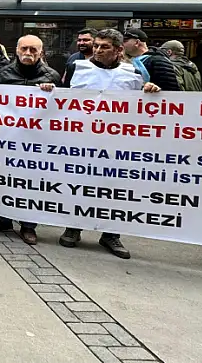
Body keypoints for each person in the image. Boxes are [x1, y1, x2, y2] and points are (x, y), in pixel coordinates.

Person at [59, 29, 160, 259]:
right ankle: (73, 228)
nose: (97, 50)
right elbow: (61, 98)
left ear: (118, 50)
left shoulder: (133, 72)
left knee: (114, 189)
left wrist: (151, 90)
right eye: (96, 45)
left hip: (118, 144)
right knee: (79, 184)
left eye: (104, 47)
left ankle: (111, 234)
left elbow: (145, 106)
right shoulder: (77, 67)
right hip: (82, 140)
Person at [0, 35, 60, 245]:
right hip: (9, 139)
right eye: (24, 49)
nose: (28, 53)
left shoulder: (52, 76)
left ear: (41, 52)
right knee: (5, 178)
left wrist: (52, 92)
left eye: (33, 50)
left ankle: (28, 225)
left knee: (31, 183)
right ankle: (3, 219)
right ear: (17, 50)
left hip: (37, 141)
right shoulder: (4, 74)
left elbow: (61, 111)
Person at [122, 28, 180, 93]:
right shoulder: (128, 61)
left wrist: (155, 89)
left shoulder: (158, 61)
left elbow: (171, 91)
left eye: (125, 41)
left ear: (137, 42)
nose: (121, 44)